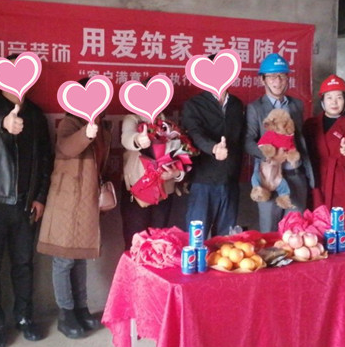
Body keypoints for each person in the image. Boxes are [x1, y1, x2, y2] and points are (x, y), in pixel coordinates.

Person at [0, 54, 53, 347]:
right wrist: (3, 123)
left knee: (24, 264)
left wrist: (40, 197)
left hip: (25, 205)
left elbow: (46, 159)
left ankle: (24, 317)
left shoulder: (36, 115)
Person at [37, 81, 111, 339]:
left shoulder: (102, 126)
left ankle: (81, 308)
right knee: (64, 259)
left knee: (80, 257)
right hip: (66, 201)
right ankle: (65, 313)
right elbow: (66, 148)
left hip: (87, 201)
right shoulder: (70, 123)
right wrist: (86, 134)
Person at [245, 53, 315, 232]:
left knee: (296, 232)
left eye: (282, 76)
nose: (278, 81)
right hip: (269, 177)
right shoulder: (255, 108)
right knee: (269, 232)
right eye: (272, 76)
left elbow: (300, 138)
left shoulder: (297, 105)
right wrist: (269, 156)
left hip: (296, 176)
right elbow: (248, 140)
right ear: (263, 80)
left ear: (287, 78)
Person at [182, 56, 246, 237]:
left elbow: (242, 138)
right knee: (196, 238)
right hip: (203, 180)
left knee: (226, 242)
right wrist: (213, 148)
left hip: (230, 180)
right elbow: (194, 134)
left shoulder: (236, 104)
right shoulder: (194, 105)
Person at [304, 74, 345, 246]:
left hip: (340, 180)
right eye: (329, 97)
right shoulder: (310, 125)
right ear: (322, 100)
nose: (334, 102)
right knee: (315, 224)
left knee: (343, 223)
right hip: (316, 178)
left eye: (339, 97)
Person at [120, 113, 186, 249]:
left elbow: (183, 155)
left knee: (159, 242)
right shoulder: (132, 119)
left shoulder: (169, 123)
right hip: (137, 192)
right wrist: (138, 139)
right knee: (135, 242)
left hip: (164, 192)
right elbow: (127, 137)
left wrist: (177, 174)